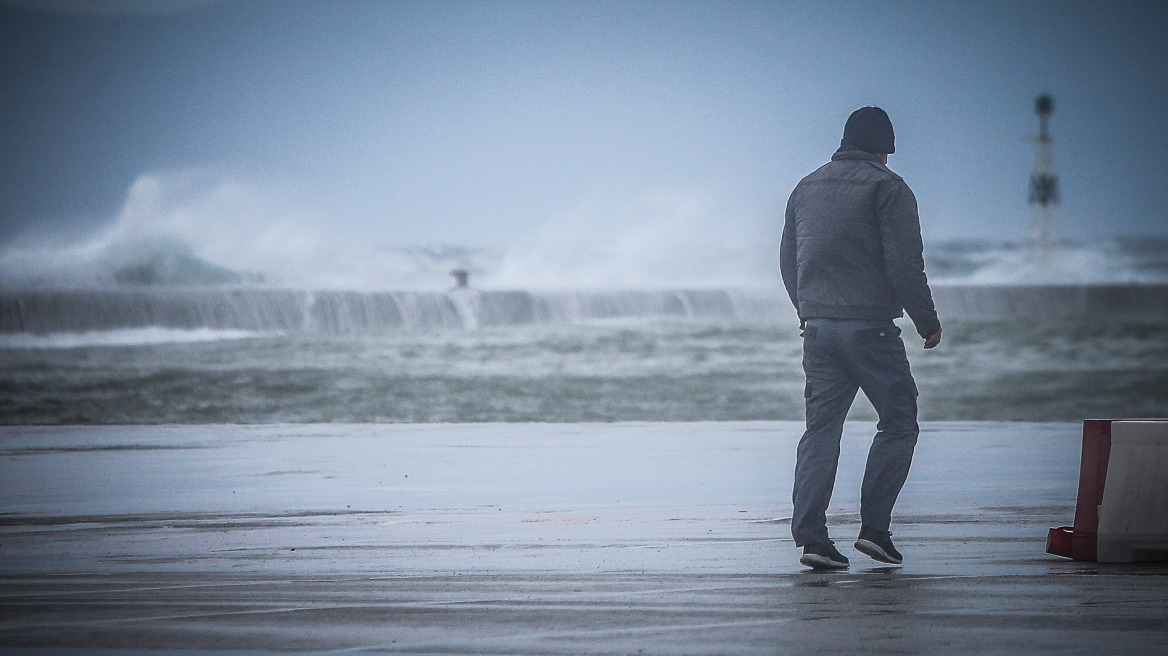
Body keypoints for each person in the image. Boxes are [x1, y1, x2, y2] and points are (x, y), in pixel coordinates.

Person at [780, 106, 943, 570]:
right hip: (870, 329)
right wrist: (926, 321)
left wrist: (807, 311)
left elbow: (789, 261)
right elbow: (904, 264)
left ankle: (812, 538)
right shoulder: (888, 188)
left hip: (819, 330)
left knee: (821, 430)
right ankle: (874, 531)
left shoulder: (806, 186)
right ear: (884, 149)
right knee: (898, 420)